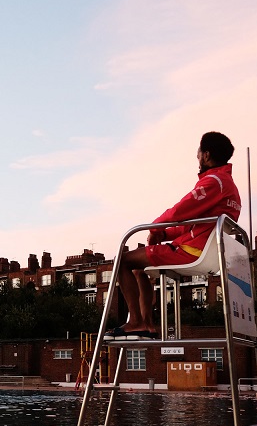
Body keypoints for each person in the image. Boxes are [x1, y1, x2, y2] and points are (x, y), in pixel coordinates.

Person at [103, 131, 241, 340]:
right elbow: (193, 224)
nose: (196, 157)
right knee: (139, 270)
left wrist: (155, 228)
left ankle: (135, 322)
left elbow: (180, 211)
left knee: (121, 261)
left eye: (198, 152)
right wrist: (165, 232)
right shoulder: (230, 187)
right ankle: (147, 325)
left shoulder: (214, 181)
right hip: (203, 248)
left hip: (191, 251)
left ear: (206, 154)